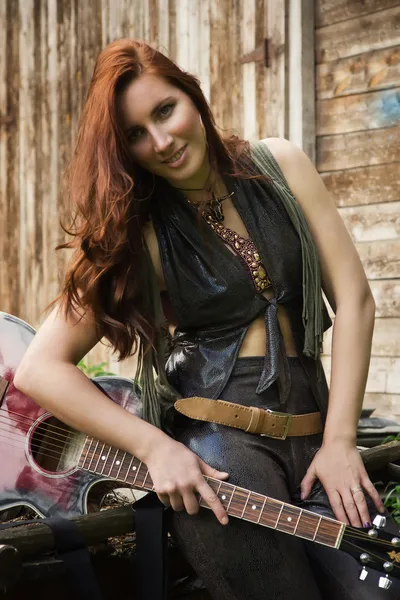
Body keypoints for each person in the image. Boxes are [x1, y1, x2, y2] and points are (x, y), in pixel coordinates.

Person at [13, 39, 399, 599]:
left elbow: (357, 301)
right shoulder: (138, 231)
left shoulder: (279, 163)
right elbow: (40, 369)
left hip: (319, 439)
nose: (162, 142)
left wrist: (340, 441)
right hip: (221, 458)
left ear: (192, 95)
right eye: (136, 135)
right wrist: (155, 448)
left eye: (165, 110)